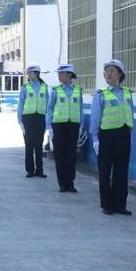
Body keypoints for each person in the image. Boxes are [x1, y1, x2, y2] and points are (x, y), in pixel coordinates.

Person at [89, 59, 134, 216]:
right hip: (106, 136)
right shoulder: (101, 94)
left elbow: (130, 113)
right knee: (105, 172)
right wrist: (95, 139)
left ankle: (120, 204)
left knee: (121, 171)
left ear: (120, 74)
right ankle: (107, 205)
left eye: (112, 71)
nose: (108, 73)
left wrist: (130, 133)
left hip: (124, 134)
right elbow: (95, 117)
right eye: (107, 71)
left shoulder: (127, 92)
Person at [46, 64, 84, 193]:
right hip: (59, 126)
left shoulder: (78, 90)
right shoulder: (55, 90)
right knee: (60, 155)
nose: (59, 76)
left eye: (62, 73)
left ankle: (70, 183)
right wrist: (49, 127)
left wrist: (81, 126)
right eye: (59, 73)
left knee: (71, 155)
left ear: (69, 75)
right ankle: (62, 183)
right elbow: (49, 109)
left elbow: (80, 109)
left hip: (73, 125)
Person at [17, 64, 48, 178]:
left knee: (39, 145)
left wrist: (47, 121)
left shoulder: (44, 87)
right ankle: (30, 170)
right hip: (28, 118)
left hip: (40, 118)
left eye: (30, 73)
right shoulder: (25, 87)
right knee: (29, 145)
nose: (28, 75)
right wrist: (20, 120)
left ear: (36, 74)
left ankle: (39, 170)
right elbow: (20, 104)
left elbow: (48, 104)